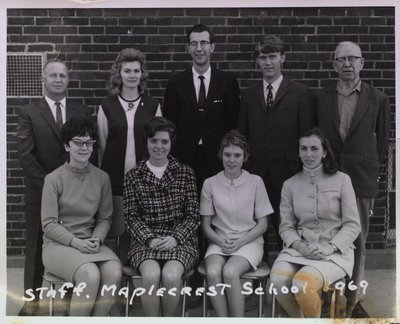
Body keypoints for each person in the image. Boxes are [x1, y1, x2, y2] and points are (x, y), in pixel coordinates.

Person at [312, 41, 390, 316]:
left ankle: (353, 301)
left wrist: (368, 168)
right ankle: (327, 298)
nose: (347, 64)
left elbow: (381, 143)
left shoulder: (378, 99)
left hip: (360, 178)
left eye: (352, 59)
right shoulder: (320, 97)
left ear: (362, 62)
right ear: (334, 63)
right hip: (329, 176)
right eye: (341, 59)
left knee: (357, 241)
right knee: (327, 237)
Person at [16, 59, 91, 315]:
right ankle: (31, 303)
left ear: (68, 80)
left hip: (75, 195)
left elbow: (87, 150)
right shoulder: (28, 112)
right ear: (43, 79)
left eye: (63, 76)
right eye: (53, 75)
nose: (58, 80)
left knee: (72, 245)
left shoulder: (81, 111)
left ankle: (68, 302)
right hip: (40, 193)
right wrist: (51, 186)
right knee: (36, 249)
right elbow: (25, 156)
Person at [238, 35, 315, 261]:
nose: (268, 62)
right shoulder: (249, 94)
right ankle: (257, 276)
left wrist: (301, 170)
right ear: (257, 61)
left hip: (288, 173)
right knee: (256, 227)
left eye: (272, 57)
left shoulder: (300, 93)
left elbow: (307, 135)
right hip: (256, 173)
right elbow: (242, 135)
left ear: (282, 58)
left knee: (287, 226)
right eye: (263, 57)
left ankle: (285, 276)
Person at [270, 127, 361, 318]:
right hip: (299, 249)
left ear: (325, 152)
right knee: (278, 280)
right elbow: (285, 226)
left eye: (314, 148)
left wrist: (330, 247)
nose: (308, 154)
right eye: (303, 149)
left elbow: (353, 225)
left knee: (303, 283)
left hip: (335, 252)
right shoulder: (290, 184)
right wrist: (301, 247)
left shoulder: (342, 180)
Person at [41, 116, 122, 316]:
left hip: (90, 244)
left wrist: (97, 238)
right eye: (78, 142)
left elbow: (105, 218)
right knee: (90, 274)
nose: (84, 148)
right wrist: (76, 242)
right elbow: (49, 224)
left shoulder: (102, 178)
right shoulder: (53, 179)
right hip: (58, 246)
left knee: (114, 271)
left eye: (89, 143)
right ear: (67, 146)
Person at [123, 116, 200, 316]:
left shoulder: (185, 172)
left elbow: (193, 216)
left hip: (180, 241)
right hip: (145, 240)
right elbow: (131, 216)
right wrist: (149, 239)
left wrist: (175, 238)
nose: (159, 146)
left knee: (172, 275)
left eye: (164, 141)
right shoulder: (133, 175)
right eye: (154, 141)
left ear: (171, 143)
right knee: (150, 275)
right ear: (146, 143)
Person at [200, 130, 273, 317]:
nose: (232, 160)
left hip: (249, 241)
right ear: (221, 155)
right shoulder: (210, 183)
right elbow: (206, 226)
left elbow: (263, 224)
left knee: (231, 271)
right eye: (227, 155)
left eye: (237, 155)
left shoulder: (256, 182)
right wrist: (220, 242)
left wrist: (240, 243)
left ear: (245, 157)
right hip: (219, 241)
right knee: (214, 271)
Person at [163, 23, 240, 194]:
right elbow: (169, 124)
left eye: (204, 43)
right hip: (184, 159)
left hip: (217, 159)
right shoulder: (176, 83)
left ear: (212, 47)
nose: (199, 48)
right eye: (194, 43)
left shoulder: (227, 82)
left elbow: (233, 124)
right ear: (188, 48)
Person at [98, 47, 162, 196]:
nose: (132, 76)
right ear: (119, 73)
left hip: (146, 180)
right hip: (114, 180)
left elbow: (157, 143)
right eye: (127, 71)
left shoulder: (153, 106)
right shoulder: (107, 106)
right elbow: (103, 146)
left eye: (136, 71)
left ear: (142, 74)